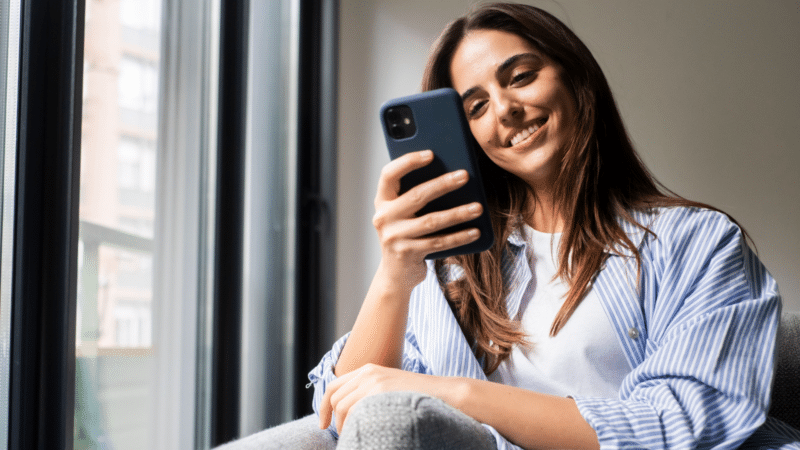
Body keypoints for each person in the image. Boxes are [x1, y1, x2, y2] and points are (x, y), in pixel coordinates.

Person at [309, 3, 800, 449]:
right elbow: (344, 416)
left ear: (574, 77)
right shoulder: (453, 271)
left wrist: (456, 392)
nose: (504, 110)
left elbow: (687, 424)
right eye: (476, 107)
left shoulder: (696, 242)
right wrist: (395, 273)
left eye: (520, 77)